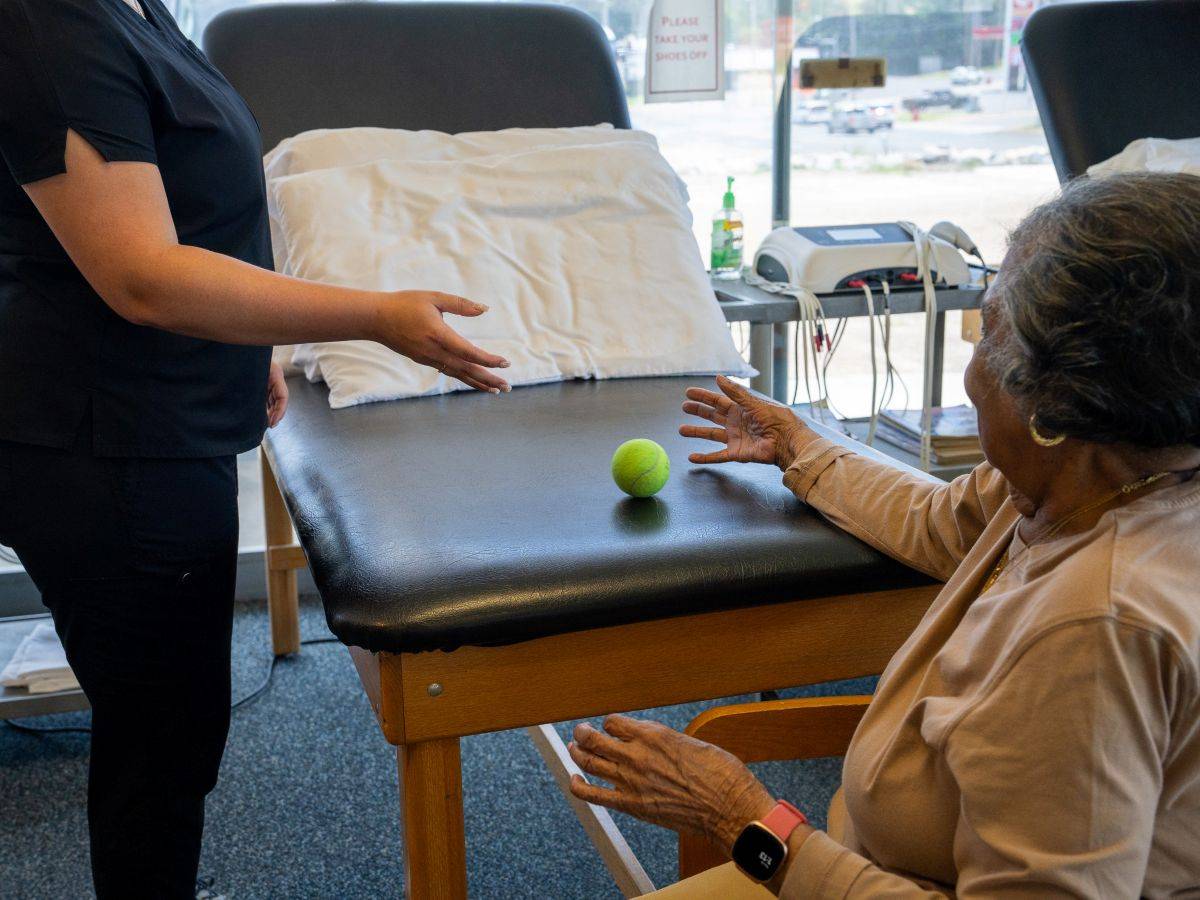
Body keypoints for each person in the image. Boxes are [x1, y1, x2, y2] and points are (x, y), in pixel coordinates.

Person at [568, 172, 1200, 897]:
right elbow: (945, 522)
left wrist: (745, 819)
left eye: (986, 332)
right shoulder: (1104, 471)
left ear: (1050, 403)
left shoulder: (1093, 629)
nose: (968, 371)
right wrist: (799, 449)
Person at [0, 0, 508, 896]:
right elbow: (142, 273)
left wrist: (251, 344)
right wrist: (375, 315)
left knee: (173, 734)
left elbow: (190, 197)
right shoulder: (47, 27)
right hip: (105, 444)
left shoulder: (130, 11)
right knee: (159, 747)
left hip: (157, 420)